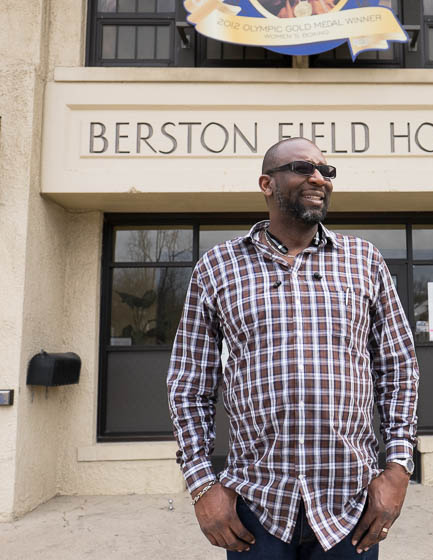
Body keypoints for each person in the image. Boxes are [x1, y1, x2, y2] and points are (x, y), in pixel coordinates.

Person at [167, 137, 419, 558]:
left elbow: (398, 370)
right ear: (267, 183)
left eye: (326, 171)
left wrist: (397, 471)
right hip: (254, 508)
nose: (319, 178)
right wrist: (201, 485)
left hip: (350, 507)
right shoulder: (217, 267)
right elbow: (189, 385)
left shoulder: (365, 260)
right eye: (302, 168)